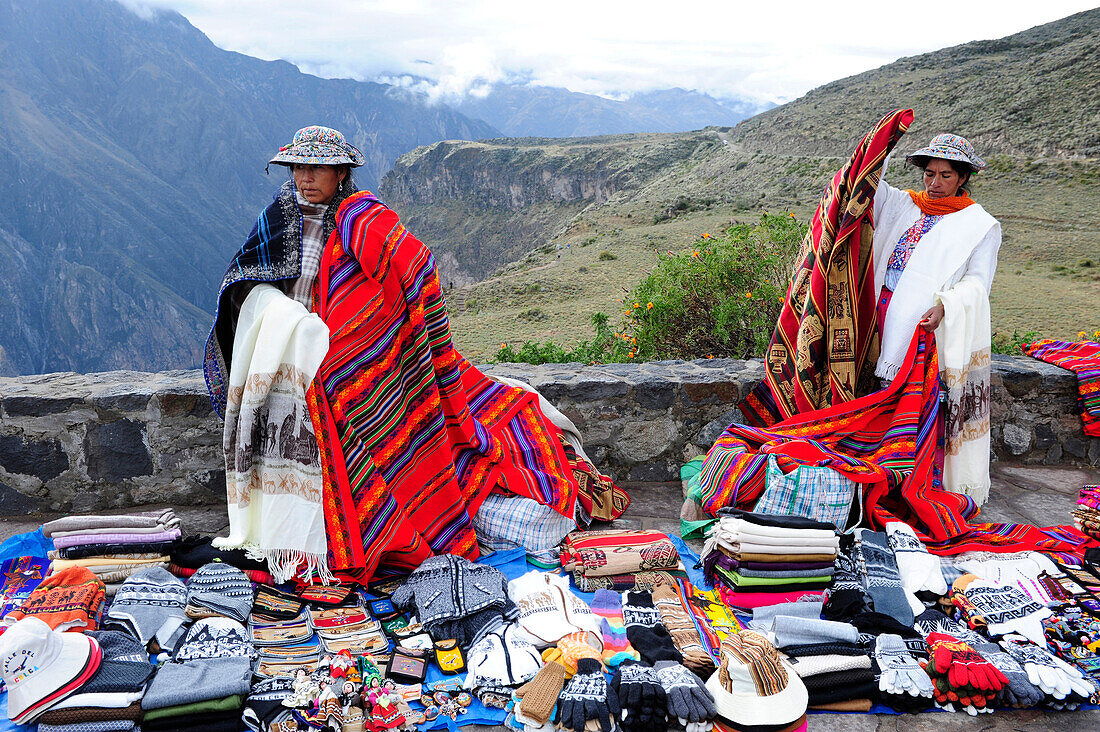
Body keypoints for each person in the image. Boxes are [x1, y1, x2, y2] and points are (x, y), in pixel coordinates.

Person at [204, 126, 598, 584]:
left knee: (357, 399)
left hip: (335, 348)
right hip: (288, 352)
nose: (305, 177)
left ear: (340, 173)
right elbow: (241, 280)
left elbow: (411, 262)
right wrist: (275, 318)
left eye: (316, 168)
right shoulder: (278, 216)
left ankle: (360, 522)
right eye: (297, 167)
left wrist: (366, 331)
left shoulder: (359, 216)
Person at [872, 134, 1000, 503]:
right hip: (883, 311)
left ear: (962, 178)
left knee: (921, 402)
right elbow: (865, 182)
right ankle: (880, 468)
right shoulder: (906, 206)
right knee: (877, 394)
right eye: (929, 173)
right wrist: (882, 142)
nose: (935, 183)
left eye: (945, 175)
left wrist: (946, 306)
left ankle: (915, 476)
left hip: (927, 325)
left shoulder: (979, 225)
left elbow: (978, 282)